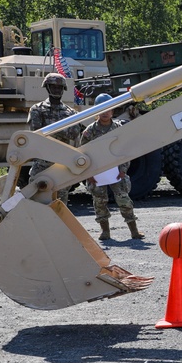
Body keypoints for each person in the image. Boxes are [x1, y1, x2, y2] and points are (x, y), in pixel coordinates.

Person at [79, 94, 144, 241]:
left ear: (113, 111)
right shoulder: (89, 132)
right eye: (102, 109)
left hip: (116, 171)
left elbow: (125, 151)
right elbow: (83, 155)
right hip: (97, 172)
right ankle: (105, 232)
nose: (105, 112)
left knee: (124, 200)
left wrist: (123, 170)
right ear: (97, 111)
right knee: (99, 202)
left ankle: (134, 231)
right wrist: (89, 174)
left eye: (108, 109)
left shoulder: (118, 129)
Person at [27, 72, 83, 207]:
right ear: (47, 88)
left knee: (60, 202)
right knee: (35, 199)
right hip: (42, 163)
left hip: (61, 163)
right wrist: (63, 130)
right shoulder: (37, 109)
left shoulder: (71, 112)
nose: (56, 90)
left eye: (59, 87)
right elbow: (37, 134)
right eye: (53, 87)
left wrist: (51, 130)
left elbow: (74, 133)